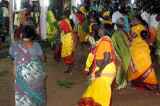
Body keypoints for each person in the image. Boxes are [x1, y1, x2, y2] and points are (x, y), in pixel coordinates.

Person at [78, 23, 118, 106]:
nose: (98, 31)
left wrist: (99, 71)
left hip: (105, 71)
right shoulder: (105, 40)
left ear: (102, 31)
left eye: (100, 29)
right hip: (105, 69)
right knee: (97, 93)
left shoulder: (105, 41)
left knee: (99, 95)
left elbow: (106, 57)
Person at [9, 25, 46, 105]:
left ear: (22, 34)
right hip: (36, 78)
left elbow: (11, 58)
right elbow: (43, 58)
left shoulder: (16, 46)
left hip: (22, 77)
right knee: (36, 94)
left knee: (24, 97)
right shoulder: (36, 45)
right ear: (33, 35)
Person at [128, 15, 160, 95]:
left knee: (137, 67)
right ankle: (154, 88)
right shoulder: (141, 27)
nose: (133, 21)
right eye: (133, 19)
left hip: (137, 49)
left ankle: (137, 84)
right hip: (142, 48)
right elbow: (145, 37)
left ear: (139, 21)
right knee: (146, 66)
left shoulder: (138, 27)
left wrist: (127, 38)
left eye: (135, 20)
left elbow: (132, 37)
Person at [111, 17, 131, 90]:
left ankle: (119, 83)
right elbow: (128, 43)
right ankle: (124, 83)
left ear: (116, 24)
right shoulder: (125, 33)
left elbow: (113, 45)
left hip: (118, 55)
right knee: (125, 68)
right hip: (126, 54)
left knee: (119, 70)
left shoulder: (114, 34)